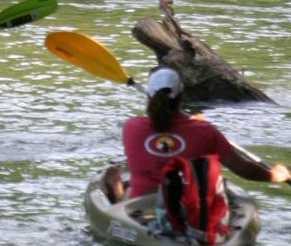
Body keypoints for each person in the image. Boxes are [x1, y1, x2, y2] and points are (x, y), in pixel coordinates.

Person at [103, 67, 290, 202]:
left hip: (142, 204)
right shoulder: (204, 131)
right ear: (181, 96)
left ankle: (117, 199)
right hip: (193, 211)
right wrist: (276, 175)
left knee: (113, 175)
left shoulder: (131, 127)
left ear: (150, 97)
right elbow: (245, 170)